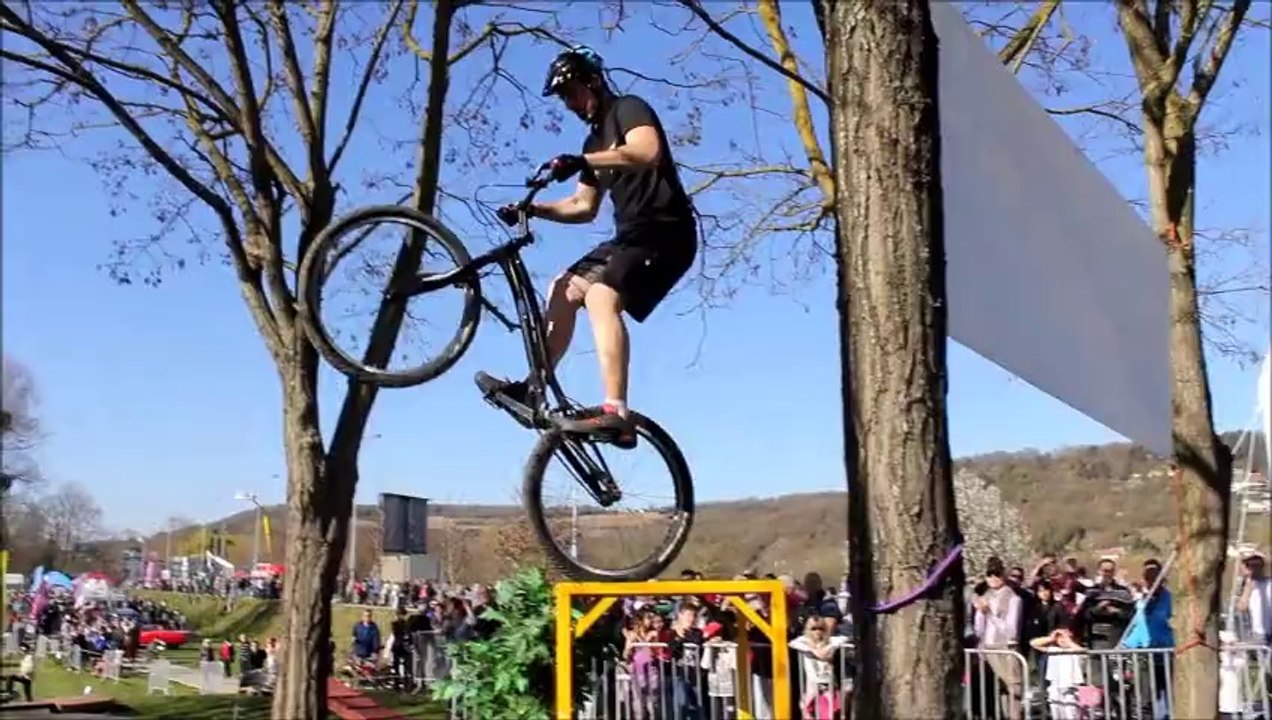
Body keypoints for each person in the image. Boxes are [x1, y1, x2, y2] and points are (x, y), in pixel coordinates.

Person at [478, 45, 698, 449]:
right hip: (629, 237)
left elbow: (648, 152)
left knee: (601, 294)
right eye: (564, 99)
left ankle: (617, 413)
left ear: (593, 81)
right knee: (563, 287)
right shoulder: (593, 142)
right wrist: (532, 208)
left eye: (573, 93)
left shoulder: (628, 109)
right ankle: (533, 388)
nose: (571, 104)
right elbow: (583, 206)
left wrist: (586, 162)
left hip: (667, 232)